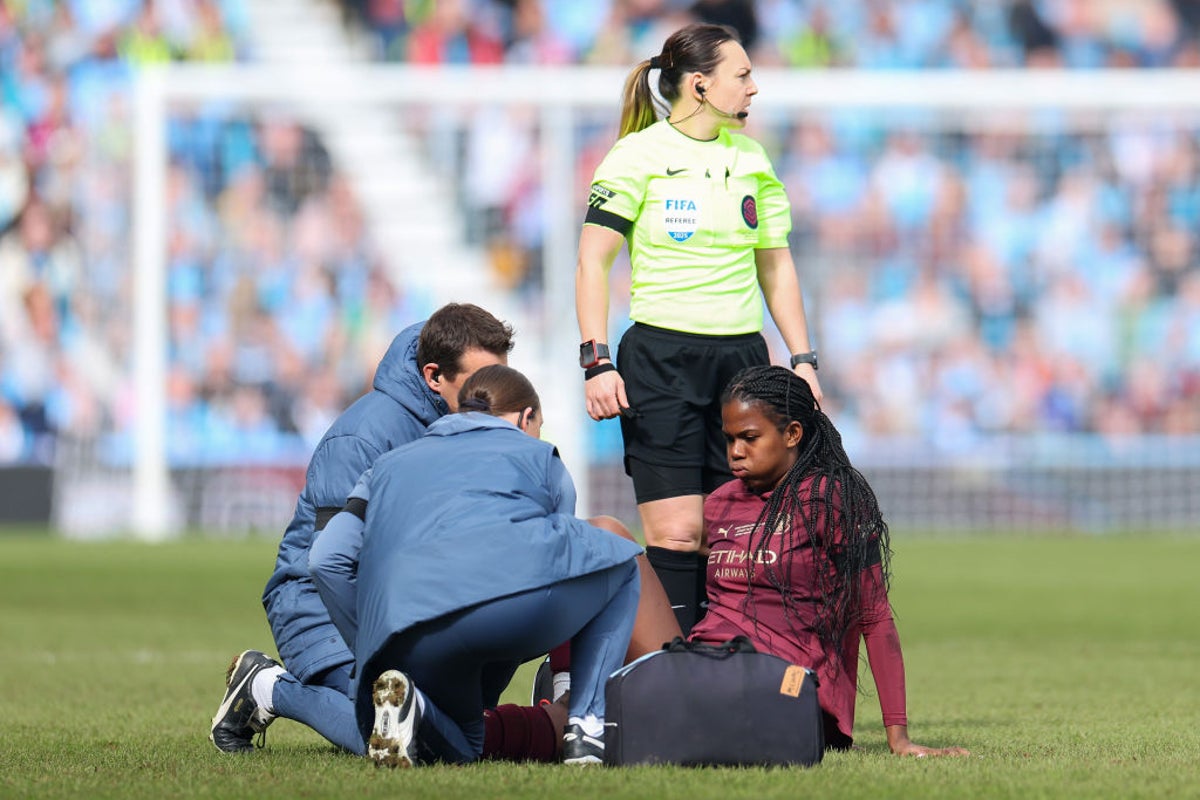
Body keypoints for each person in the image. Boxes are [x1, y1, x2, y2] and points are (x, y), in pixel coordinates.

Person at [575, 22, 823, 636]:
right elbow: (591, 260)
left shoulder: (752, 159)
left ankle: (723, 672)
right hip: (659, 358)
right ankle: (672, 674)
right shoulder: (637, 155)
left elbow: (776, 263)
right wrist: (596, 360)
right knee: (677, 531)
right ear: (699, 84)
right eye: (742, 76)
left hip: (742, 363)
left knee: (731, 530)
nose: (754, 88)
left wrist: (803, 358)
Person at [209, 303, 515, 755]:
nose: (497, 395)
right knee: (396, 737)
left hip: (410, 604)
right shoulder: (365, 436)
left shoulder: (478, 425)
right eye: (480, 382)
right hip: (319, 606)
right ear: (434, 376)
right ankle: (265, 687)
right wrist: (392, 658)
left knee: (449, 726)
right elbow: (333, 565)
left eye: (503, 379)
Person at [310, 364, 644, 766]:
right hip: (499, 613)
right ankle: (585, 725)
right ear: (526, 418)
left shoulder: (388, 463)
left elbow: (326, 559)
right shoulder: (538, 453)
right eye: (538, 424)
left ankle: (415, 709)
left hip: (405, 631)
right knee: (621, 562)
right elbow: (561, 558)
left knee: (467, 744)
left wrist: (373, 650)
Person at [687, 365, 968, 755]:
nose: (735, 452)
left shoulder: (828, 498)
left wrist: (898, 737)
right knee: (620, 550)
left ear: (792, 434)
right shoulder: (719, 504)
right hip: (712, 663)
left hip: (791, 684)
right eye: (730, 438)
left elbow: (874, 614)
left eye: (749, 438)